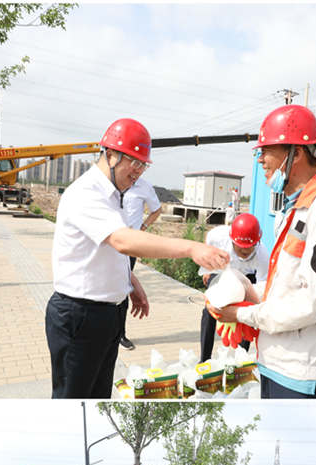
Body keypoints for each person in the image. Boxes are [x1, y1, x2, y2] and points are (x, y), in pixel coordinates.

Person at [45, 117, 229, 398]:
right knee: (74, 402)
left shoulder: (114, 193)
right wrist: (191, 248)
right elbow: (121, 240)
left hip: (105, 315)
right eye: (134, 162)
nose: (139, 172)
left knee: (98, 398)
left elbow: (102, 248)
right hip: (79, 316)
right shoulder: (86, 193)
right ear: (110, 155)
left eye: (143, 165)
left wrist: (130, 283)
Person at [210, 105, 316, 399]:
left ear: (297, 153)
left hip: (305, 371)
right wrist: (241, 293)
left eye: (267, 150)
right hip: (278, 361)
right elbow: (287, 285)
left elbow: (314, 301)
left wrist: (242, 314)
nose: (260, 159)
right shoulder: (296, 208)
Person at [199, 213, 269, 362]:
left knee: (247, 314)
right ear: (232, 240)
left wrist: (248, 309)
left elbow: (262, 288)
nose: (245, 253)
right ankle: (204, 359)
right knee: (210, 310)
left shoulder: (262, 254)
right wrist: (207, 270)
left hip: (247, 279)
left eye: (249, 249)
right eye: (240, 249)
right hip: (222, 272)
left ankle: (241, 357)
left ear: (257, 242)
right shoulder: (217, 236)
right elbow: (207, 247)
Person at [120, 177, 163, 350]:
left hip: (130, 244)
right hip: (109, 240)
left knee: (123, 287)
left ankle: (120, 334)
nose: (137, 169)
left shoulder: (144, 186)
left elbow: (157, 210)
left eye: (142, 166)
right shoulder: (113, 181)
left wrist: (142, 228)